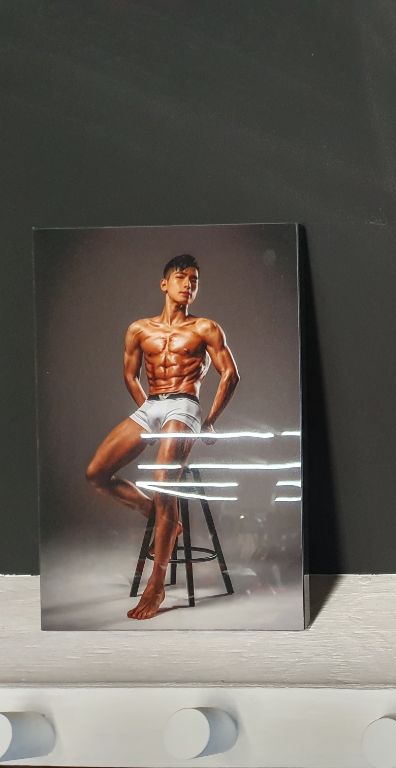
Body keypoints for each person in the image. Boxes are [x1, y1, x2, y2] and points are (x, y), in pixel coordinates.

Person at [85, 254, 239, 620]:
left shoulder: (205, 328)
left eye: (195, 280)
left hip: (185, 404)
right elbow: (130, 375)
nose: (189, 285)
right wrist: (147, 414)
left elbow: (230, 374)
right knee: (96, 473)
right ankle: (156, 515)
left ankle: (156, 585)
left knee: (162, 482)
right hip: (151, 404)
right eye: (182, 277)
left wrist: (210, 421)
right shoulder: (139, 329)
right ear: (164, 284)